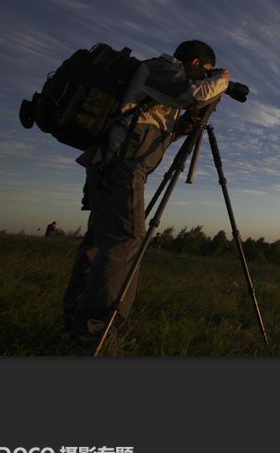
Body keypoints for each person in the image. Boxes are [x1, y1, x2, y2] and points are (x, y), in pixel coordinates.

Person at [62, 40, 230, 347]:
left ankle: (75, 321)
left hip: (113, 167)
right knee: (125, 243)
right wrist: (221, 79)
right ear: (194, 63)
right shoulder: (160, 68)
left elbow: (159, 135)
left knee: (98, 244)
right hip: (121, 169)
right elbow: (192, 95)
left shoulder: (161, 89)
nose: (203, 77)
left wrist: (188, 124)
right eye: (203, 71)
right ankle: (96, 331)